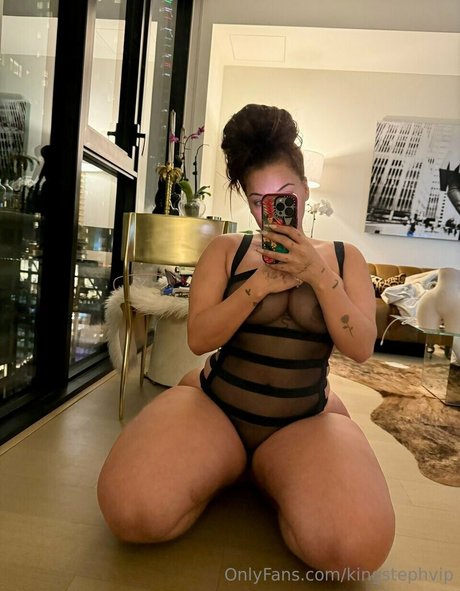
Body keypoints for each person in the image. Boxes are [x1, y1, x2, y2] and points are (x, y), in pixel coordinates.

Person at [97, 104, 395, 576]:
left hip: (304, 420)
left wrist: (318, 275)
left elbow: (361, 348)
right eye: (258, 200)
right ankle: (228, 465)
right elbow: (199, 339)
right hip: (217, 406)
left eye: (284, 195)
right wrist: (259, 286)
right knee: (132, 512)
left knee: (353, 552)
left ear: (304, 188)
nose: (270, 210)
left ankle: (269, 471)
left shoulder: (345, 258)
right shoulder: (226, 251)